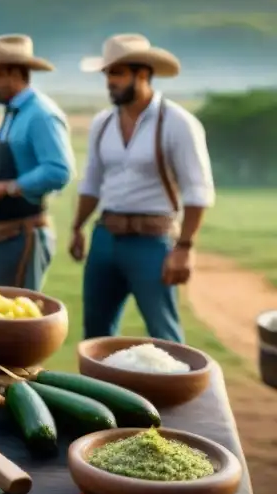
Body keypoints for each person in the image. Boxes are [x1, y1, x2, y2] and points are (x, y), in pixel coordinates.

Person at [70, 34, 215, 343]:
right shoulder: (102, 123)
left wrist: (185, 248)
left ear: (144, 74)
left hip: (152, 241)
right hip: (105, 237)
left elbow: (198, 191)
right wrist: (77, 227)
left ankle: (177, 391)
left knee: (164, 334)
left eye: (118, 73)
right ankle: (100, 393)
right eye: (108, 73)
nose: (110, 81)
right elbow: (91, 183)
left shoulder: (178, 123)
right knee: (95, 335)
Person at [0, 35, 74, 290]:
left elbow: (60, 170)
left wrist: (4, 188)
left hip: (24, 235)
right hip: (4, 234)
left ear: (14, 73)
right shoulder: (15, 112)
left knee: (17, 322)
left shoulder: (41, 114)